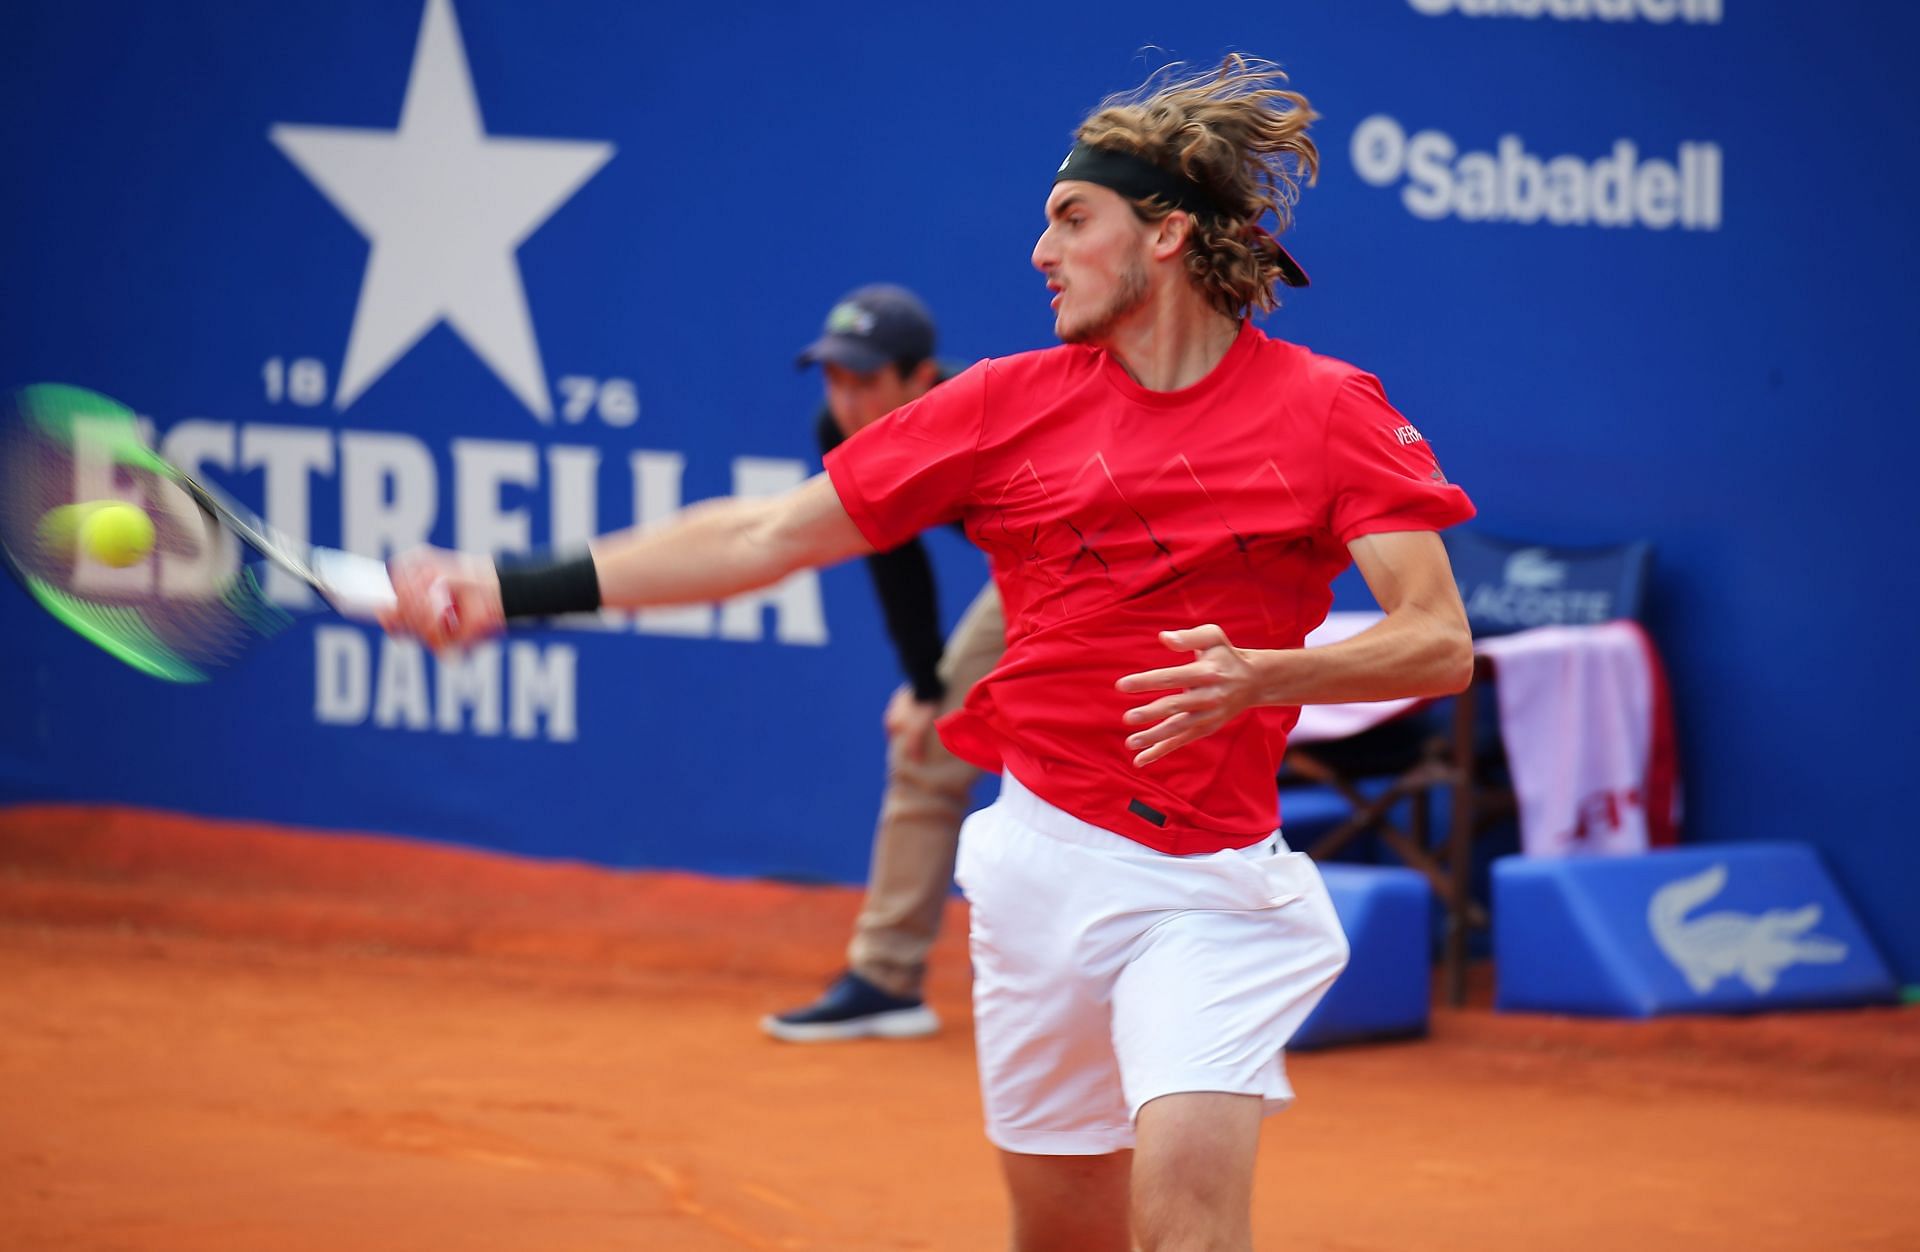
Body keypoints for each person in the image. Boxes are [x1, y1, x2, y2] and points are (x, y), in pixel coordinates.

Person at [385, 55, 1476, 1252]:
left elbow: (1436, 643)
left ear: (1165, 236)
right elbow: (763, 534)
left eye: (1072, 218)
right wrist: (502, 586)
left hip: (1210, 897)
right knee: (1061, 1232)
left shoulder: (1328, 410)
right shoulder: (1004, 404)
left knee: (1187, 1228)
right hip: (1037, 872)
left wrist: (1275, 672)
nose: (1040, 251)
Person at [768, 284, 1000, 1042]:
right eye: (835, 379)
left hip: (1120, 571)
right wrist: (930, 686)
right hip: (1030, 580)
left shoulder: (982, 416)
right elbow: (892, 557)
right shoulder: (840, 434)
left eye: (865, 380)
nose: (846, 400)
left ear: (919, 378)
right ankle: (886, 977)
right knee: (927, 746)